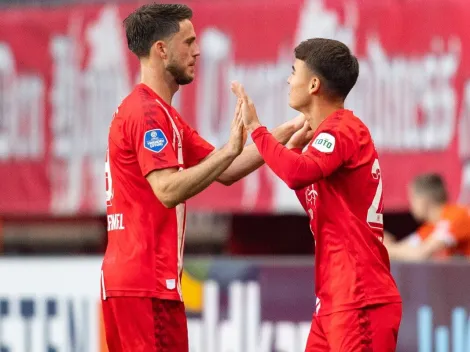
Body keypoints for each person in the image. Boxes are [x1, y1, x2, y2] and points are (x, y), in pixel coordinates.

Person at [101, 3, 304, 351]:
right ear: (161, 50)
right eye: (188, 42)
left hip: (142, 283)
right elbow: (166, 190)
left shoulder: (162, 114)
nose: (197, 50)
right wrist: (229, 150)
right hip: (145, 285)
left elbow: (227, 171)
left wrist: (291, 131)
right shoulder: (148, 113)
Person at [231, 38, 402, 351]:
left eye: (293, 71)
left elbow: (298, 174)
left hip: (359, 298)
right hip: (335, 300)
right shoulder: (330, 134)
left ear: (312, 84)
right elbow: (311, 195)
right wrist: (294, 147)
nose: (288, 79)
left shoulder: (342, 129)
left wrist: (257, 128)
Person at [384, 173, 470, 261]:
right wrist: (386, 245)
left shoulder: (456, 216)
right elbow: (405, 248)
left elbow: (421, 253)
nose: (411, 206)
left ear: (422, 201)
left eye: (412, 199)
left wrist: (385, 248)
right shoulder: (430, 228)